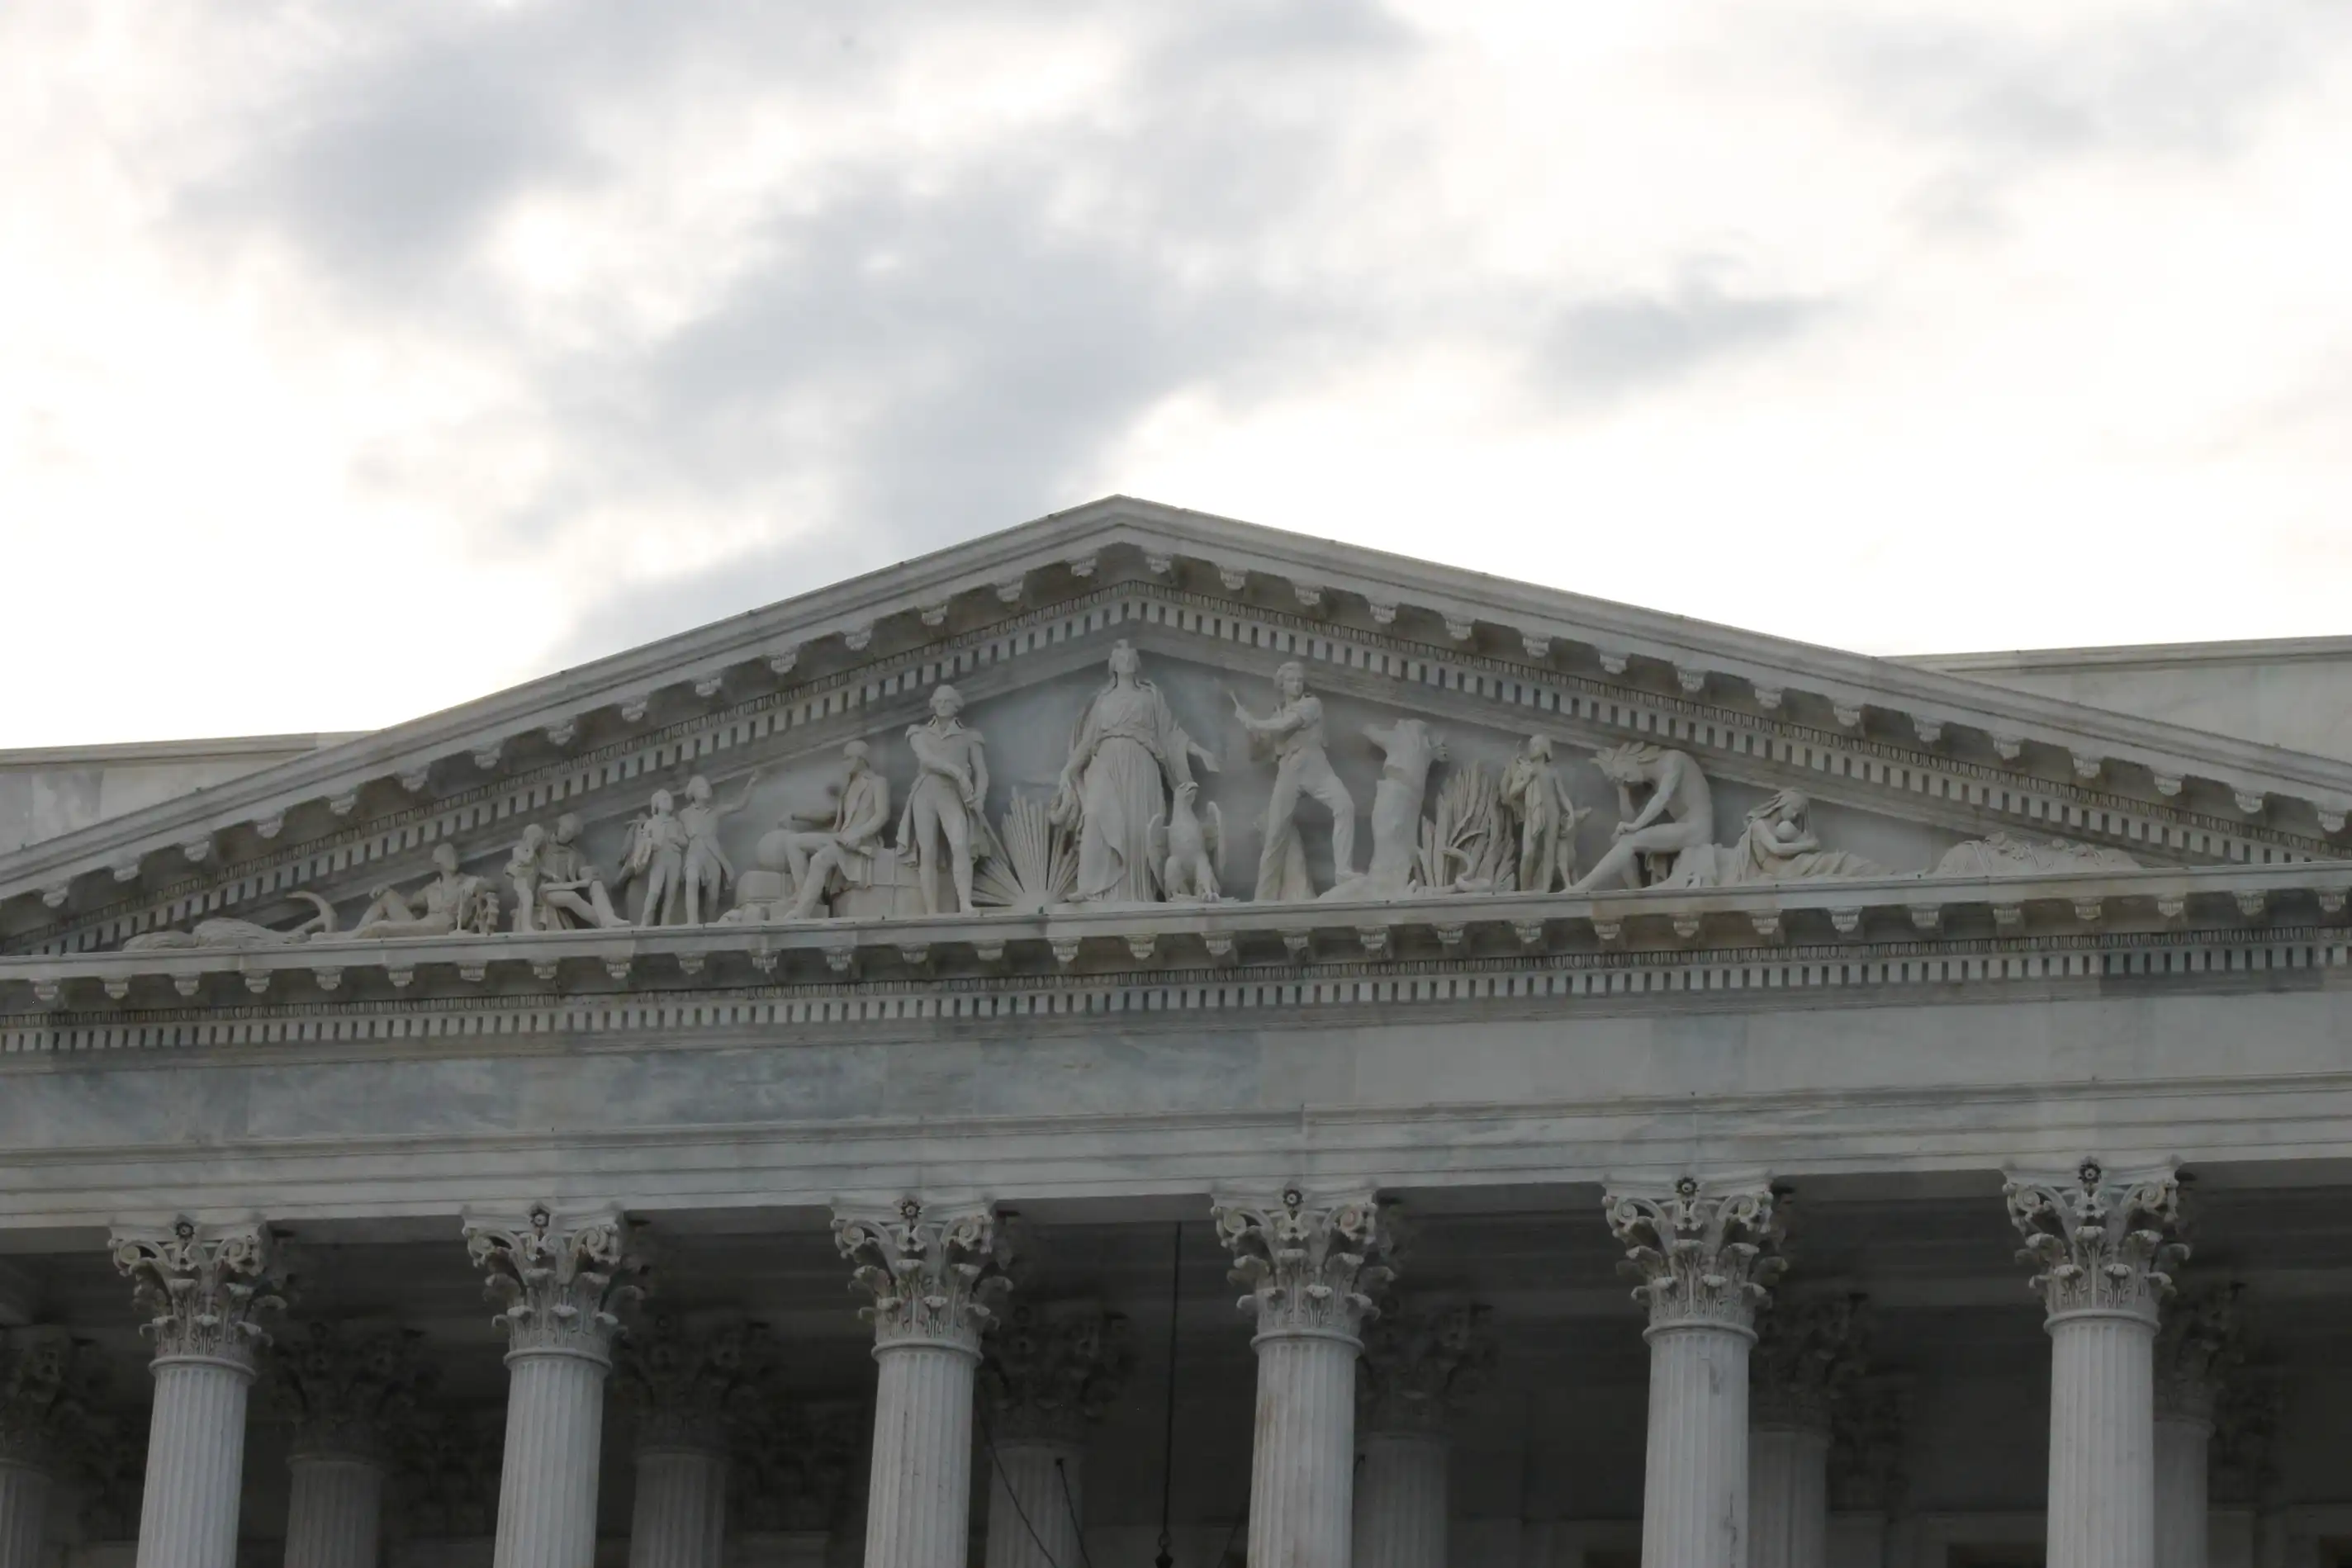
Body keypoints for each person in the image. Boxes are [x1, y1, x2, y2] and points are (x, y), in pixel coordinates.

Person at [1050, 641, 1219, 905]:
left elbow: (1170, 733)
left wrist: (1199, 751)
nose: (1126, 660)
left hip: (1141, 765)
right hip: (1106, 762)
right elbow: (1087, 741)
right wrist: (1068, 771)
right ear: (1113, 665)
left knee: (1138, 829)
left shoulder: (1150, 697)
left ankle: (1136, 894)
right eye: (1121, 657)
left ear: (1137, 663)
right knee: (1094, 815)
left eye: (1131, 657)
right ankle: (1092, 887)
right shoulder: (1102, 701)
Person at [1232, 661, 1354, 902]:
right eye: (1291, 681)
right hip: (1289, 769)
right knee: (1275, 834)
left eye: (1300, 680)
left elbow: (1287, 725)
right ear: (1282, 685)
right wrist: (1251, 730)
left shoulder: (1311, 704)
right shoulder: (1277, 713)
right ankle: (1263, 897)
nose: (1297, 684)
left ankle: (1343, 872)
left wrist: (1255, 722)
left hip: (1315, 765)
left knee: (1345, 806)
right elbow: (1257, 755)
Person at [1660, 789, 1885, 887]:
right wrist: (1806, 845)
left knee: (1838, 861)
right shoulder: (1759, 825)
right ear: (1782, 804)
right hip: (1780, 869)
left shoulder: (1785, 828)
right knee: (1830, 865)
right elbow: (1775, 849)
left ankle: (1883, 875)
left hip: (1789, 865)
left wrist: (1804, 841)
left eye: (1800, 813)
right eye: (1795, 809)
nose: (1796, 816)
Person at [1567, 743, 1714, 894]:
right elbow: (1628, 820)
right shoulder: (1654, 784)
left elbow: (1662, 798)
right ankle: (1635, 891)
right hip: (1685, 828)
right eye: (1619, 781)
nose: (1625, 782)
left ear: (1627, 761)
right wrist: (1622, 790)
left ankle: (1584, 887)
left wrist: (1636, 826)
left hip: (1697, 828)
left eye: (1622, 777)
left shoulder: (1673, 760)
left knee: (1630, 841)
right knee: (1620, 839)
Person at [898, 685, 989, 916]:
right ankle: (931, 909)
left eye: (948, 701)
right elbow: (926, 759)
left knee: (960, 845)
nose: (943, 704)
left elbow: (982, 771)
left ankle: (965, 903)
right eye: (939, 701)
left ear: (957, 704)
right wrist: (958, 772)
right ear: (932, 704)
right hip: (925, 792)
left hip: (952, 795)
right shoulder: (918, 733)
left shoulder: (970, 736)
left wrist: (980, 796)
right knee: (927, 851)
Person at [778, 741, 893, 921]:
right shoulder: (847, 787)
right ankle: (803, 895)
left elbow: (882, 815)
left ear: (861, 759)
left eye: (848, 758)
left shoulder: (878, 782)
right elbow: (830, 816)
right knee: (792, 842)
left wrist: (859, 835)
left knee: (819, 859)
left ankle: (801, 912)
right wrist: (795, 814)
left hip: (860, 843)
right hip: (840, 838)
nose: (843, 762)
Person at [1499, 734, 1587, 894]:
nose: (1531, 749)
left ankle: (1545, 889)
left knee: (1549, 852)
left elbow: (1562, 796)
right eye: (1531, 746)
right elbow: (1512, 792)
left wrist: (1570, 813)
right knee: (1528, 853)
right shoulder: (1525, 769)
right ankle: (1524, 890)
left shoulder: (1552, 772)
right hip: (1532, 814)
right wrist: (1526, 780)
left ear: (1545, 749)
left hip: (1552, 813)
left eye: (1536, 745)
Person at [351, 841, 489, 939]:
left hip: (441, 927)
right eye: (447, 856)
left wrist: (475, 885)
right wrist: (386, 888)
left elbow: (493, 886)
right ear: (438, 863)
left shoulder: (466, 881)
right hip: (422, 927)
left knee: (380, 927)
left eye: (453, 855)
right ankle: (351, 935)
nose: (452, 859)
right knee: (386, 897)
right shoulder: (431, 888)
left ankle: (348, 939)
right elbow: (407, 903)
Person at [677, 772, 761, 926]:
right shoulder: (684, 814)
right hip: (695, 852)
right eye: (702, 787)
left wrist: (750, 785)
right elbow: (679, 833)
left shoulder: (715, 811)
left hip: (713, 855)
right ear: (693, 792)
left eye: (708, 786)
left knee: (713, 895)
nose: (707, 789)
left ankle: (710, 921)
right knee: (692, 878)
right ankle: (692, 922)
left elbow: (739, 805)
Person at [615, 790, 690, 926]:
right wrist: (639, 856)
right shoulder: (651, 823)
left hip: (674, 859)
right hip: (659, 858)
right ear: (657, 804)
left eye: (670, 799)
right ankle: (646, 921)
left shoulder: (676, 824)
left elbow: (685, 841)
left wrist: (677, 839)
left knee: (671, 893)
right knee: (654, 891)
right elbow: (643, 842)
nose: (669, 801)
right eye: (665, 799)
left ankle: (665, 922)